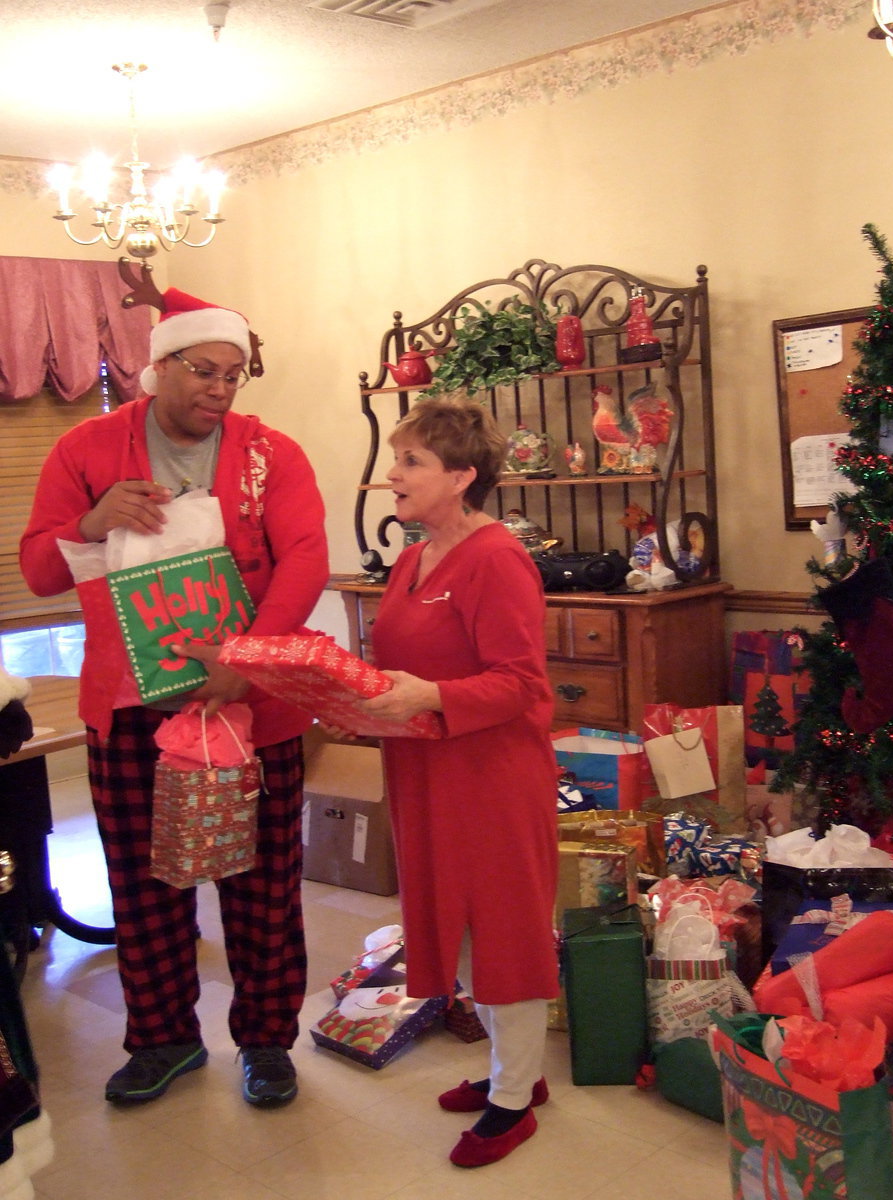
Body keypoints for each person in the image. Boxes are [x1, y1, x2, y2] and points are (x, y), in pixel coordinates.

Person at [18, 288, 329, 1109]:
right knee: (144, 883)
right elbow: (41, 571)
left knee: (262, 885)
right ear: (156, 367)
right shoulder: (87, 449)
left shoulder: (272, 456)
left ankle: (266, 1043)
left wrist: (247, 660)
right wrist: (88, 522)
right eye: (201, 372)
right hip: (130, 711)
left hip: (253, 710)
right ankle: (162, 1041)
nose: (219, 391)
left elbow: (305, 558)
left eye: (233, 375)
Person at [357, 395, 559, 1168]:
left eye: (411, 462)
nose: (393, 474)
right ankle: (521, 1073)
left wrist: (431, 696)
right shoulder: (415, 555)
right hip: (427, 768)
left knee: (502, 926)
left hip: (490, 775)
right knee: (460, 922)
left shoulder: (497, 557)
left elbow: (520, 685)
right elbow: (402, 656)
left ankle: (514, 1103)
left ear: (463, 476)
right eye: (397, 458)